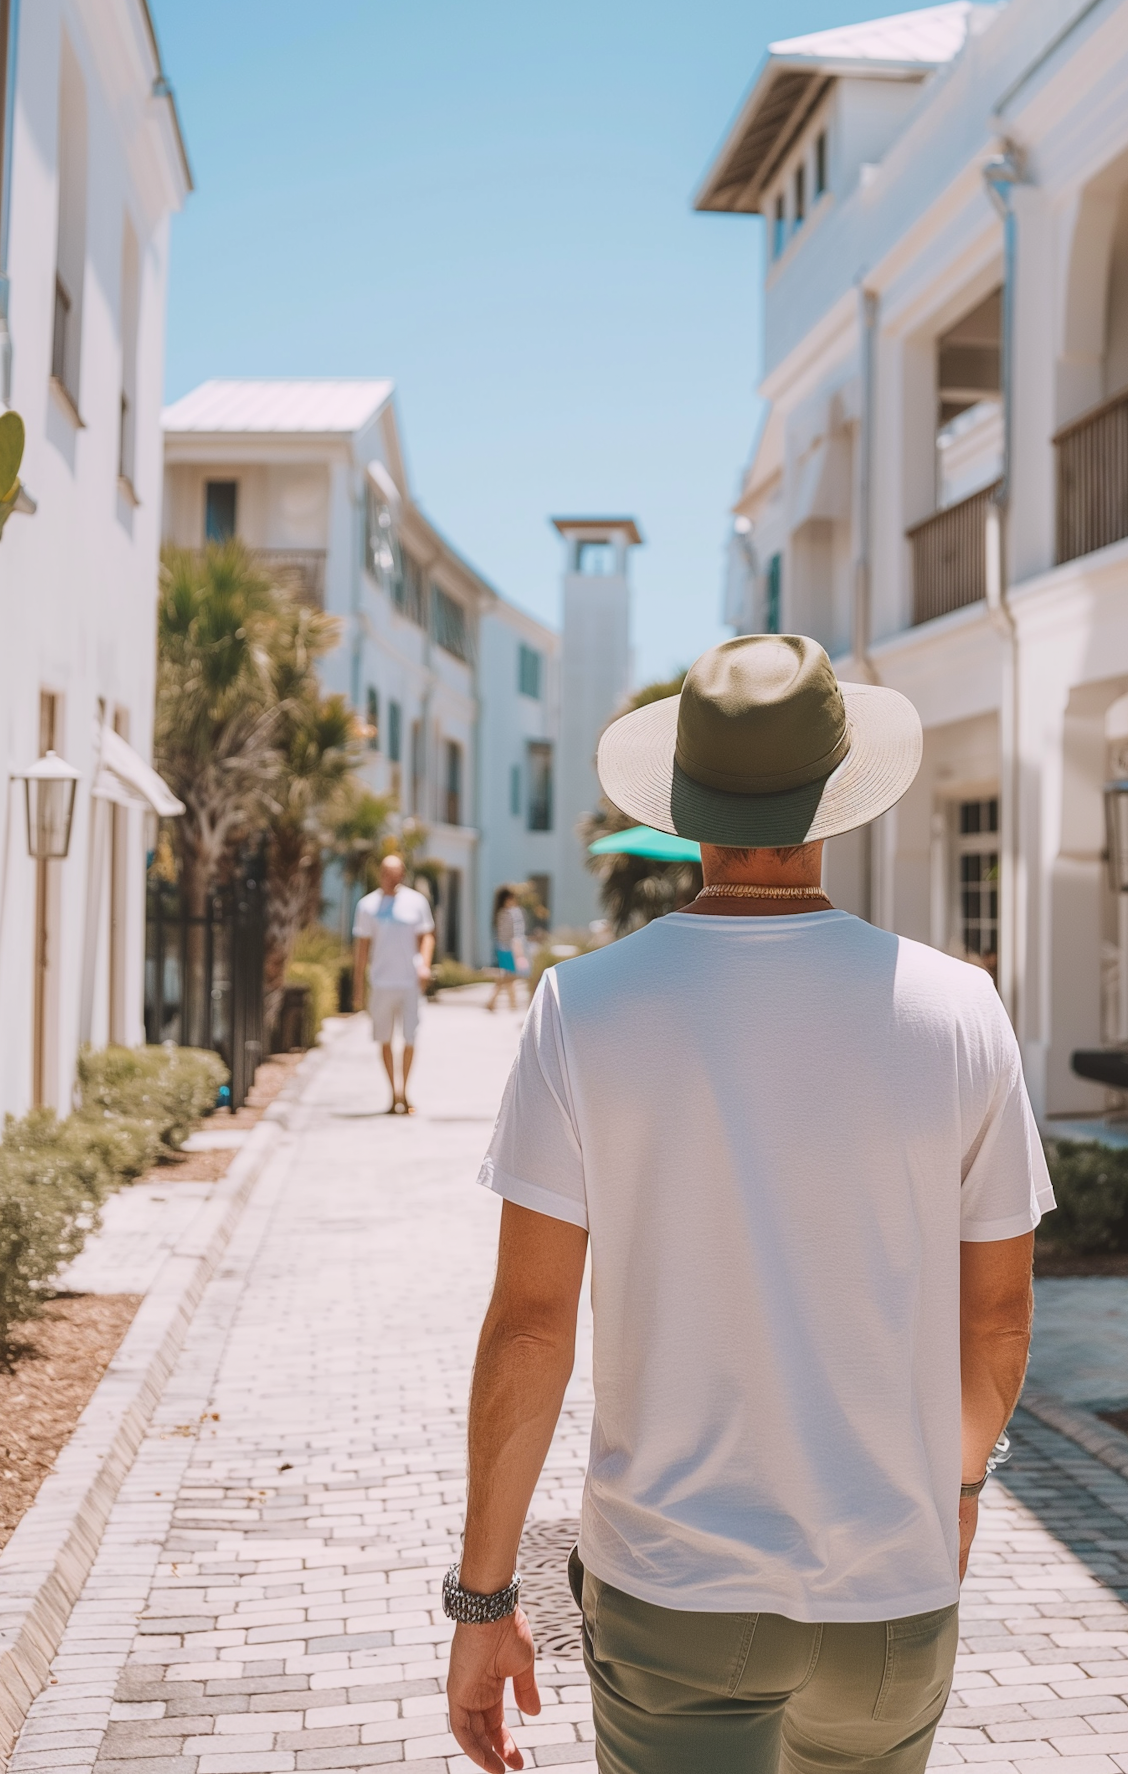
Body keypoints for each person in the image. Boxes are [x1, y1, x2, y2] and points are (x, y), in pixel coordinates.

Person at [443, 633, 1053, 1774]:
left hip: (673, 1595)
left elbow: (531, 1330)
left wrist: (483, 1603)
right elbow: (999, 1321)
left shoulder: (583, 1009)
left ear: (684, 803)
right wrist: (956, 1490)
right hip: (891, 1596)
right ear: (837, 798)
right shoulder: (962, 1010)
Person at [352, 853, 435, 1115]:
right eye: (387, 873)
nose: (391, 878)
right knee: (384, 1039)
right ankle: (393, 1093)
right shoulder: (367, 906)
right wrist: (358, 988)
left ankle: (406, 1091)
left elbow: (427, 937)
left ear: (402, 873)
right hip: (381, 983)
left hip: (409, 982)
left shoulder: (416, 902)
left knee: (410, 1037)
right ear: (380, 874)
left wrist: (424, 964)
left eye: (396, 872)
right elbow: (362, 948)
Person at [487, 885, 529, 1012]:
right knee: (508, 975)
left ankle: (509, 1002)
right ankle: (498, 1001)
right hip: (506, 949)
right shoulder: (505, 914)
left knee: (508, 975)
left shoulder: (504, 913)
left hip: (505, 948)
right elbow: (513, 934)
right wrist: (518, 949)